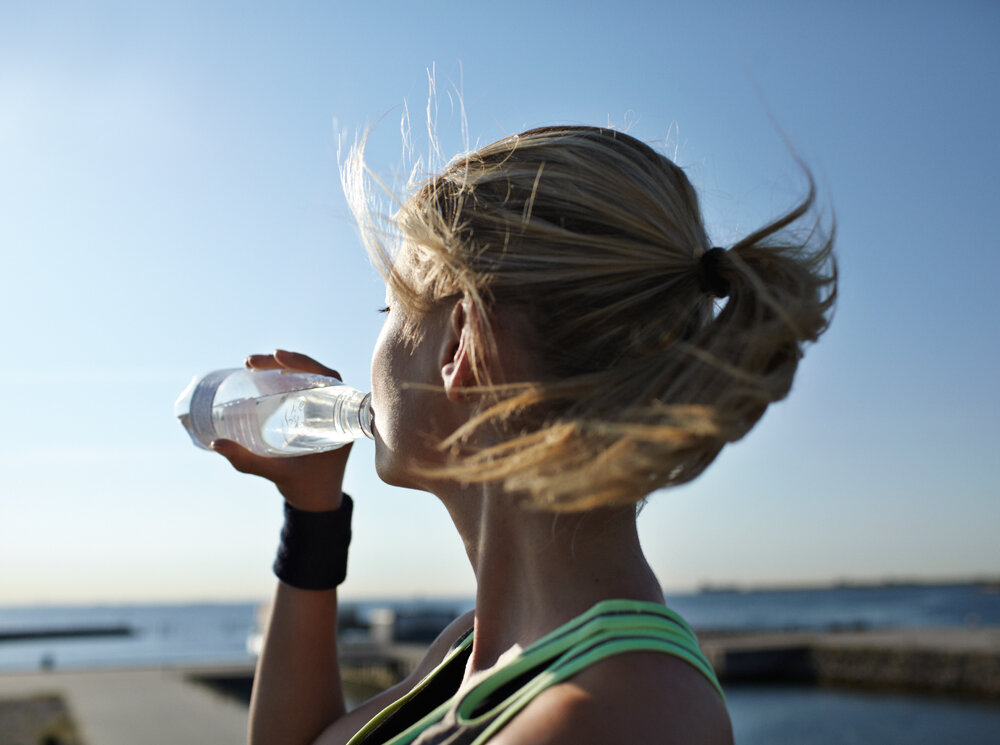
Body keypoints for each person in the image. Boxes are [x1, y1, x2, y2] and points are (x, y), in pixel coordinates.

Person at [210, 125, 836, 745]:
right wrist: (311, 513)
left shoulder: (622, 714)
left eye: (389, 311)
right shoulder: (474, 647)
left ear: (461, 344)